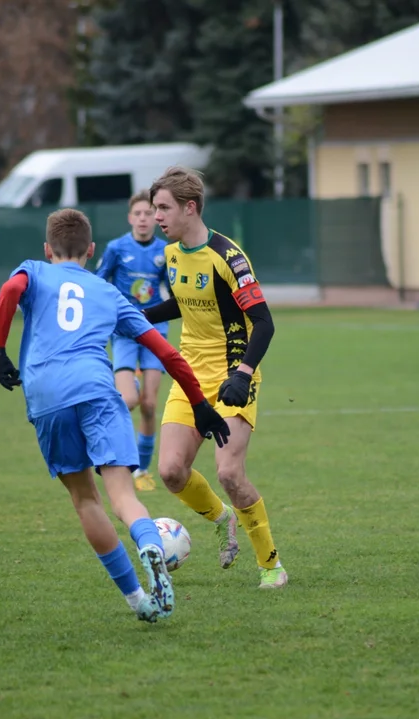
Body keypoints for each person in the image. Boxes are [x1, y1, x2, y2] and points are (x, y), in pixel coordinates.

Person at [0, 208, 230, 623]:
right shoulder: (107, 293)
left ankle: (138, 599)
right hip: (97, 390)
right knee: (124, 496)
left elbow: (10, 291)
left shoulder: (34, 271)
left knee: (85, 499)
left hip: (47, 394)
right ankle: (149, 543)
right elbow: (168, 353)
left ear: (48, 249)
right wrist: (201, 405)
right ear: (91, 250)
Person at [143, 166, 288, 590]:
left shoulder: (229, 256)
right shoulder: (171, 254)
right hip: (189, 375)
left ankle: (271, 564)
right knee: (170, 471)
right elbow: (184, 303)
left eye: (164, 208)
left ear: (190, 208)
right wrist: (139, 315)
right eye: (154, 209)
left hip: (231, 376)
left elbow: (263, 321)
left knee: (229, 473)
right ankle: (223, 519)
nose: (157, 217)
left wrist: (243, 375)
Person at [95, 190, 171, 491]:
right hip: (124, 333)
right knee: (129, 400)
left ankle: (141, 470)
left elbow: (173, 289)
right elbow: (99, 282)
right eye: (138, 213)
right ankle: (112, 455)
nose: (143, 218)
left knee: (150, 405)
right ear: (130, 218)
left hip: (155, 331)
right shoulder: (116, 248)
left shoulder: (165, 251)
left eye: (148, 213)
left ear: (156, 217)